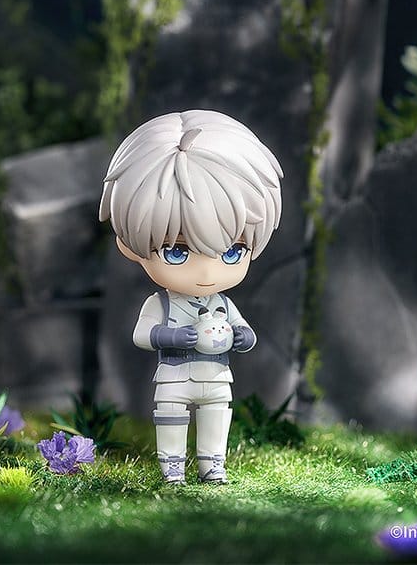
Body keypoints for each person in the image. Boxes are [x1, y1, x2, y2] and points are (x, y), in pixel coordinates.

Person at [99, 109, 284, 483]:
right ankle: (172, 468)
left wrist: (243, 336)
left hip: (217, 377)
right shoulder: (161, 304)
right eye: (176, 252)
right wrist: (170, 335)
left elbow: (244, 331)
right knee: (171, 418)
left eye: (232, 251)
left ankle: (213, 465)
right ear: (129, 245)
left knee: (217, 416)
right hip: (174, 377)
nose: (206, 273)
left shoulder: (223, 305)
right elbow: (142, 334)